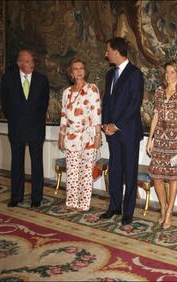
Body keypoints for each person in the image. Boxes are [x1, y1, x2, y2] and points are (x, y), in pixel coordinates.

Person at [100, 37, 144, 226]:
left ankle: (128, 212)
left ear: (117, 51)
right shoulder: (110, 74)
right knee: (115, 170)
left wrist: (116, 125)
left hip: (127, 131)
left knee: (130, 172)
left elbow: (134, 104)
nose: (106, 54)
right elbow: (106, 101)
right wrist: (104, 124)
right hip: (112, 133)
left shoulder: (135, 74)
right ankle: (114, 206)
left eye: (108, 50)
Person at [0, 50, 50, 208]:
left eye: (32, 61)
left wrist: (34, 120)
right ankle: (16, 196)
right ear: (19, 63)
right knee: (17, 163)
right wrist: (17, 119)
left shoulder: (42, 80)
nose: (31, 64)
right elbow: (5, 104)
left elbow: (44, 104)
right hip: (16, 127)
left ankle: (37, 197)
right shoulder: (8, 79)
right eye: (27, 61)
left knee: (37, 163)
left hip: (36, 128)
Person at [146, 60, 177, 229]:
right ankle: (163, 207)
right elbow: (155, 116)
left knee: (173, 177)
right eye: (167, 72)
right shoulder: (159, 91)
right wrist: (150, 139)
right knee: (157, 176)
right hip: (160, 138)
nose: (169, 75)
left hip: (176, 138)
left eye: (172, 72)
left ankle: (170, 212)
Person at [58, 58, 102, 212]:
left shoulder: (92, 89)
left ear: (85, 70)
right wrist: (61, 135)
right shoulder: (66, 93)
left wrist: (98, 136)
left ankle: (83, 204)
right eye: (75, 68)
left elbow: (97, 114)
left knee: (85, 173)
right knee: (72, 172)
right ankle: (71, 202)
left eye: (81, 68)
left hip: (89, 138)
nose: (78, 71)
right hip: (71, 138)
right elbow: (64, 115)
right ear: (71, 72)